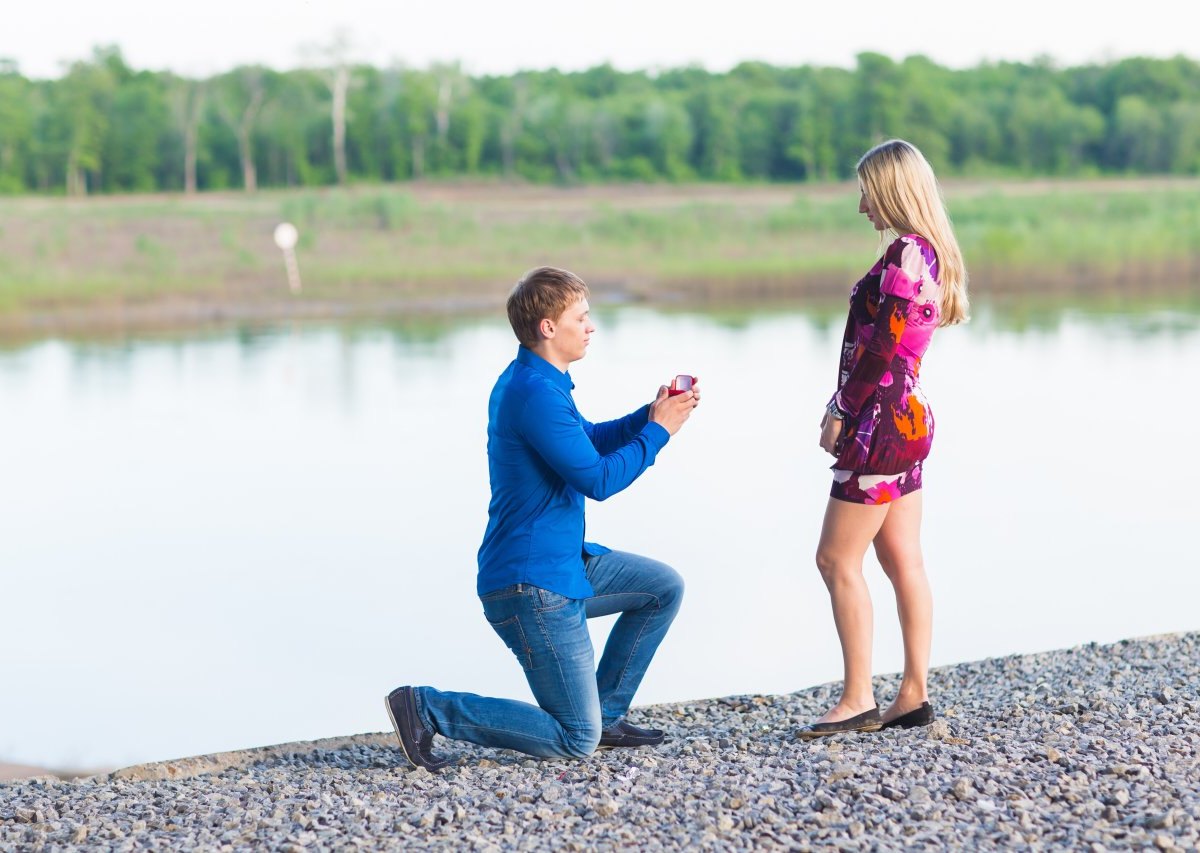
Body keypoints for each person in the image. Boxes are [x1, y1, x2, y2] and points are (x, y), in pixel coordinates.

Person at [386, 266, 698, 769]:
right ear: (548, 327)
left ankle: (608, 715)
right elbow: (597, 480)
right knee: (575, 739)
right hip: (532, 586)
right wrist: (659, 433)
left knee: (662, 587)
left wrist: (650, 414)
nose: (591, 326)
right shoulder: (531, 393)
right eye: (581, 316)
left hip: (564, 567)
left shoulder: (542, 382)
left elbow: (588, 441)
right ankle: (428, 707)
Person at [798, 139, 968, 738]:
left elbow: (882, 346)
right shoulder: (927, 253)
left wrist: (841, 408)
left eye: (867, 189)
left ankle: (856, 699)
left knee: (836, 557)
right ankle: (912, 695)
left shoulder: (907, 256)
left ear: (892, 189)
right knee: (902, 559)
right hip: (907, 422)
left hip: (879, 425)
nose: (862, 204)